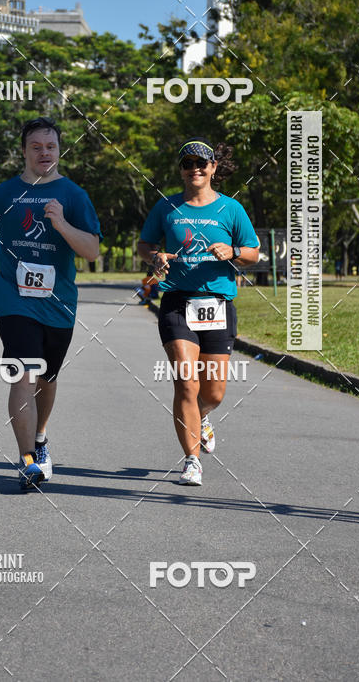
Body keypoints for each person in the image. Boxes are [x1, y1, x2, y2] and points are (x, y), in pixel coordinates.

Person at [0, 117, 101, 490]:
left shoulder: (73, 196)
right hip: (13, 300)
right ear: (23, 151)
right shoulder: (3, 194)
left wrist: (61, 224)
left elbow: (91, 251)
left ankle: (40, 437)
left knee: (47, 378)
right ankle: (27, 461)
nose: (44, 153)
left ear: (59, 150)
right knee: (23, 374)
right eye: (36, 147)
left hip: (59, 304)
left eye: (51, 147)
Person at [138, 138, 259, 487]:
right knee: (186, 383)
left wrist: (233, 250)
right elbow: (145, 245)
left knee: (214, 393)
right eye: (188, 163)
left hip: (218, 304)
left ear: (213, 168)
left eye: (202, 163)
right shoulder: (167, 207)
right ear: (181, 170)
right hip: (176, 300)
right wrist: (155, 257)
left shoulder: (231, 209)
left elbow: (253, 252)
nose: (195, 168)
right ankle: (192, 461)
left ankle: (201, 417)